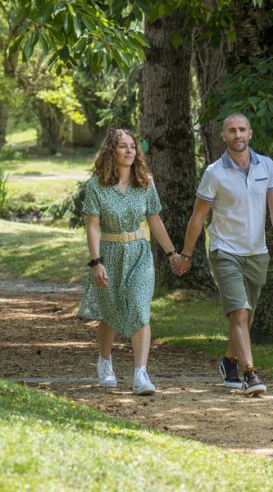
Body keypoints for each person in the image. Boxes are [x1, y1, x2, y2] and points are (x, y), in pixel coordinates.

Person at [172, 112, 273, 396]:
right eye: (232, 131)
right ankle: (250, 373)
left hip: (257, 251)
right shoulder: (214, 172)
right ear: (223, 136)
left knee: (246, 317)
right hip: (225, 250)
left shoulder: (267, 166)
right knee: (239, 311)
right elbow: (198, 217)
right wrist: (186, 255)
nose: (237, 135)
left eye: (242, 130)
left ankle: (229, 361)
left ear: (251, 133)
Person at [78, 128, 180, 396]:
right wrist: (96, 261)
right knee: (110, 312)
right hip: (109, 253)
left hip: (138, 253)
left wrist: (172, 254)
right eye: (123, 146)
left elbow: (154, 220)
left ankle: (140, 374)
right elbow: (92, 226)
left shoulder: (145, 183)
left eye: (133, 147)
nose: (129, 151)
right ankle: (105, 361)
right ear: (111, 151)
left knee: (139, 307)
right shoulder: (96, 186)